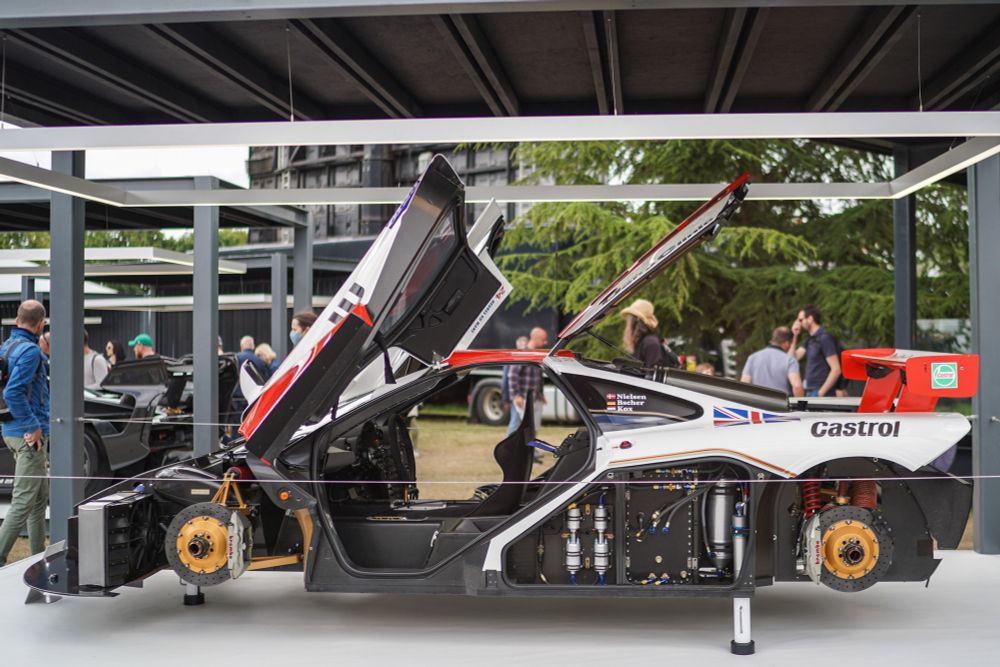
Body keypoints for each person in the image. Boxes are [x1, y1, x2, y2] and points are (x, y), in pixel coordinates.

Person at [0, 300, 50, 564]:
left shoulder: (7, 347)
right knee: (23, 502)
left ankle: (39, 559)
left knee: (39, 499)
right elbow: (12, 392)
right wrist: (34, 427)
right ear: (41, 324)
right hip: (27, 435)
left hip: (10, 429)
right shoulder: (30, 351)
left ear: (17, 319)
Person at [789, 305, 841, 397]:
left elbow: (836, 369)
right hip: (810, 390)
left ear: (810, 318)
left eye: (800, 320)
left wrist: (821, 392)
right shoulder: (810, 339)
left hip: (820, 392)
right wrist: (795, 335)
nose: (798, 323)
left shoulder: (824, 338)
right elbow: (792, 358)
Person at [741, 326, 805, 396]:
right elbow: (797, 386)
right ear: (786, 343)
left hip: (757, 403)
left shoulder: (753, 357)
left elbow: (745, 383)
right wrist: (800, 404)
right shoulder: (789, 360)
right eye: (790, 344)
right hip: (780, 404)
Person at [507, 327, 547, 436]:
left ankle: (530, 450)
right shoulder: (523, 354)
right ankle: (508, 451)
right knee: (516, 425)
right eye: (543, 339)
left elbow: (538, 377)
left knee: (533, 426)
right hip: (522, 398)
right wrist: (516, 395)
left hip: (534, 397)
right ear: (536, 339)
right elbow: (512, 375)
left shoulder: (537, 355)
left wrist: (541, 395)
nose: (545, 342)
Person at [620, 298, 674, 367]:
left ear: (635, 322)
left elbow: (651, 374)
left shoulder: (650, 343)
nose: (627, 324)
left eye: (629, 320)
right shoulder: (640, 342)